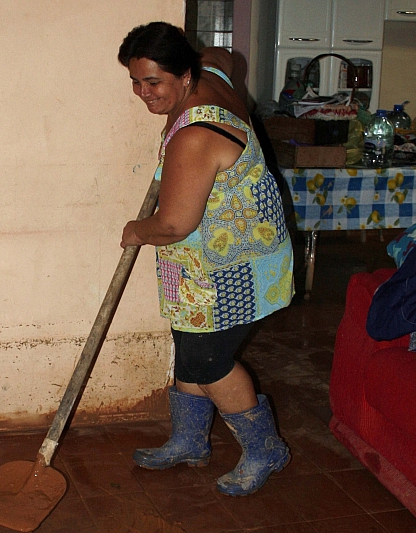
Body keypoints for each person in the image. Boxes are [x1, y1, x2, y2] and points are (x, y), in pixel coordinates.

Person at [117, 22, 294, 496]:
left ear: (185, 75)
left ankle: (265, 450)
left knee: (208, 358)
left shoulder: (195, 135)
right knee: (189, 346)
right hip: (200, 263)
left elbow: (174, 224)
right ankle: (190, 441)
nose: (143, 93)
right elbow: (224, 54)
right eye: (136, 81)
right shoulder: (211, 71)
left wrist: (136, 230)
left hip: (237, 265)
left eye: (153, 82)